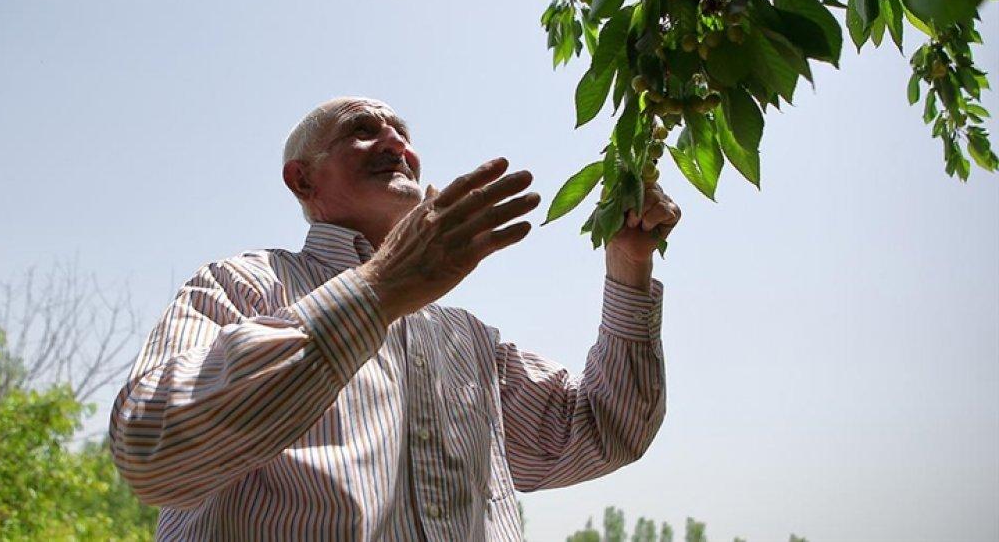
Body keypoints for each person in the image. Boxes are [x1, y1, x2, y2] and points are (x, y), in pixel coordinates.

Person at [109, 97, 681, 541]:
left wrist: (629, 265)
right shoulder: (242, 285)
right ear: (301, 179)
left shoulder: (468, 342)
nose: (394, 141)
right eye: (362, 129)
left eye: (403, 134)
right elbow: (151, 452)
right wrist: (380, 290)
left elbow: (608, 429)